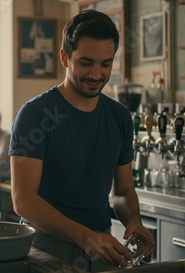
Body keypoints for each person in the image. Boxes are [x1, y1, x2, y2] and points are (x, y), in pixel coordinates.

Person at [8, 10, 155, 271]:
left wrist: (134, 220)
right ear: (65, 58)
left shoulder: (120, 116)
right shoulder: (35, 114)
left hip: (101, 251)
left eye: (105, 64)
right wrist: (85, 237)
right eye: (86, 63)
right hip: (44, 250)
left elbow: (121, 192)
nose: (96, 74)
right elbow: (23, 200)